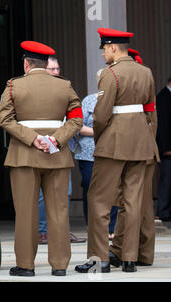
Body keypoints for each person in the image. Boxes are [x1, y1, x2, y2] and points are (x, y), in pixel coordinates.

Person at [75, 28, 158, 274]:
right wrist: (147, 139)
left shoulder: (111, 74)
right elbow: (150, 110)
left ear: (112, 47)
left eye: (104, 49)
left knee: (99, 200)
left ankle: (99, 258)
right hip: (140, 142)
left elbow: (101, 115)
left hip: (113, 144)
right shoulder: (146, 72)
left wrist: (101, 137)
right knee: (133, 202)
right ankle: (129, 259)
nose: (103, 54)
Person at [0, 41, 83, 277]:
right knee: (58, 212)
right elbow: (77, 119)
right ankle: (59, 265)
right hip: (57, 155)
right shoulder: (64, 86)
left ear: (26, 63)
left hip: (24, 155)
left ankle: (26, 265)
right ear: (47, 64)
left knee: (26, 212)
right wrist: (56, 139)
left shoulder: (14, 86)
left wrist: (32, 138)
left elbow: (5, 119)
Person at [109, 49, 158, 267]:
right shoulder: (145, 84)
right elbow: (151, 119)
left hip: (131, 149)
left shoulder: (121, 83)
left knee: (126, 202)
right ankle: (144, 253)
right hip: (146, 148)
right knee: (142, 205)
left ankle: (121, 251)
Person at [38, 56, 86, 245]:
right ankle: (42, 232)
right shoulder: (38, 90)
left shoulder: (65, 88)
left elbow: (75, 116)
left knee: (65, 191)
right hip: (39, 144)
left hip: (62, 145)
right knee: (42, 195)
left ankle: (62, 231)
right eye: (52, 69)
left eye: (57, 68)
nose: (56, 72)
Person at [75, 68, 119, 240]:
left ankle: (111, 227)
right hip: (88, 154)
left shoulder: (118, 101)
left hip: (112, 151)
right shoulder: (88, 100)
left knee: (113, 189)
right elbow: (78, 125)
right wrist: (98, 131)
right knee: (90, 189)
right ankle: (91, 225)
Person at [155, 75, 171, 222]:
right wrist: (165, 147)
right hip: (167, 149)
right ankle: (164, 211)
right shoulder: (163, 97)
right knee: (166, 181)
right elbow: (162, 126)